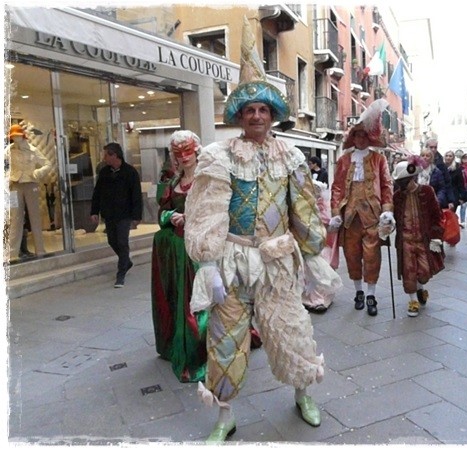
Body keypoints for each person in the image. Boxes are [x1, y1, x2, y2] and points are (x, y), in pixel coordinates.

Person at [183, 16, 338, 442]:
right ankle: (224, 417)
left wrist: (312, 256)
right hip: (233, 264)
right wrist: (209, 264)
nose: (256, 115)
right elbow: (206, 213)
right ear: (239, 115)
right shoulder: (219, 156)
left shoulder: (289, 157)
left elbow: (303, 208)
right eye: (249, 109)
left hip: (277, 265)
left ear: (272, 115)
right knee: (225, 342)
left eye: (263, 109)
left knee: (291, 332)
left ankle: (304, 392)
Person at [150, 130, 208, 383]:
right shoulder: (172, 183)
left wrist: (191, 219)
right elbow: (161, 214)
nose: (184, 158)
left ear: (197, 151)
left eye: (187, 151)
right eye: (178, 153)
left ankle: (199, 353)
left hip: (199, 250)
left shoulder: (208, 179)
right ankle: (175, 343)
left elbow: (217, 213)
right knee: (174, 298)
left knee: (196, 303)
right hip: (172, 250)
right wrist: (170, 217)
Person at [330, 98, 395, 317]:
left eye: (363, 134)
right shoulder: (344, 160)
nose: (360, 138)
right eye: (356, 135)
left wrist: (387, 209)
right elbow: (337, 187)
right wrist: (335, 214)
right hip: (350, 217)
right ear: (352, 137)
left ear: (369, 136)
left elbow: (386, 185)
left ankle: (371, 295)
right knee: (352, 255)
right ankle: (358, 292)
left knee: (372, 256)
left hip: (373, 216)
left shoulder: (379, 159)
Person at [392, 159, 445, 317]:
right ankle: (413, 300)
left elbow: (437, 215)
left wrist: (436, 237)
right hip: (405, 240)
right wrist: (387, 226)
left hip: (424, 239)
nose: (402, 187)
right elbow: (394, 217)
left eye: (405, 183)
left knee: (424, 272)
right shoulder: (397, 196)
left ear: (412, 179)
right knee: (409, 272)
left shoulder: (427, 191)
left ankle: (421, 288)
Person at [90, 142, 142, 288]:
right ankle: (127, 262)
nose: (104, 158)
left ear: (114, 155)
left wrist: (136, 216)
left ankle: (121, 275)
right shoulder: (104, 173)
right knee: (112, 241)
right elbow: (97, 193)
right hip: (109, 214)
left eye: (106, 155)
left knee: (122, 242)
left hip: (124, 214)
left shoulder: (130, 172)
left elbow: (136, 196)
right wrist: (94, 211)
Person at [6, 123, 51, 261]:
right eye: (13, 137)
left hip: (31, 184)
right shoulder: (8, 150)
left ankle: (40, 250)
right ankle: (12, 253)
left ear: (22, 136)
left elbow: (47, 164)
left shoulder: (33, 150)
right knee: (15, 219)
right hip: (15, 185)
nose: (15, 139)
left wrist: (38, 172)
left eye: (17, 136)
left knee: (35, 217)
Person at [301, 179, 341, 313]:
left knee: (320, 270)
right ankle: (310, 298)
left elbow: (328, 226)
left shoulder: (323, 207)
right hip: (308, 244)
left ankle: (320, 299)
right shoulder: (304, 206)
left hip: (321, 246)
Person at [424, 138, 455, 210]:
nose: (433, 149)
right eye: (431, 147)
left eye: (435, 147)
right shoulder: (418, 166)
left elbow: (446, 183)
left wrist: (450, 200)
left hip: (436, 199)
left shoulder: (440, 163)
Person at [444, 150, 467, 215]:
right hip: (443, 196)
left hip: (454, 196)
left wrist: (462, 197)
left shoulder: (457, 169)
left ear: (453, 158)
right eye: (446, 156)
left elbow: (460, 184)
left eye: (450, 156)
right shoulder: (441, 168)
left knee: (451, 216)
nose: (448, 157)